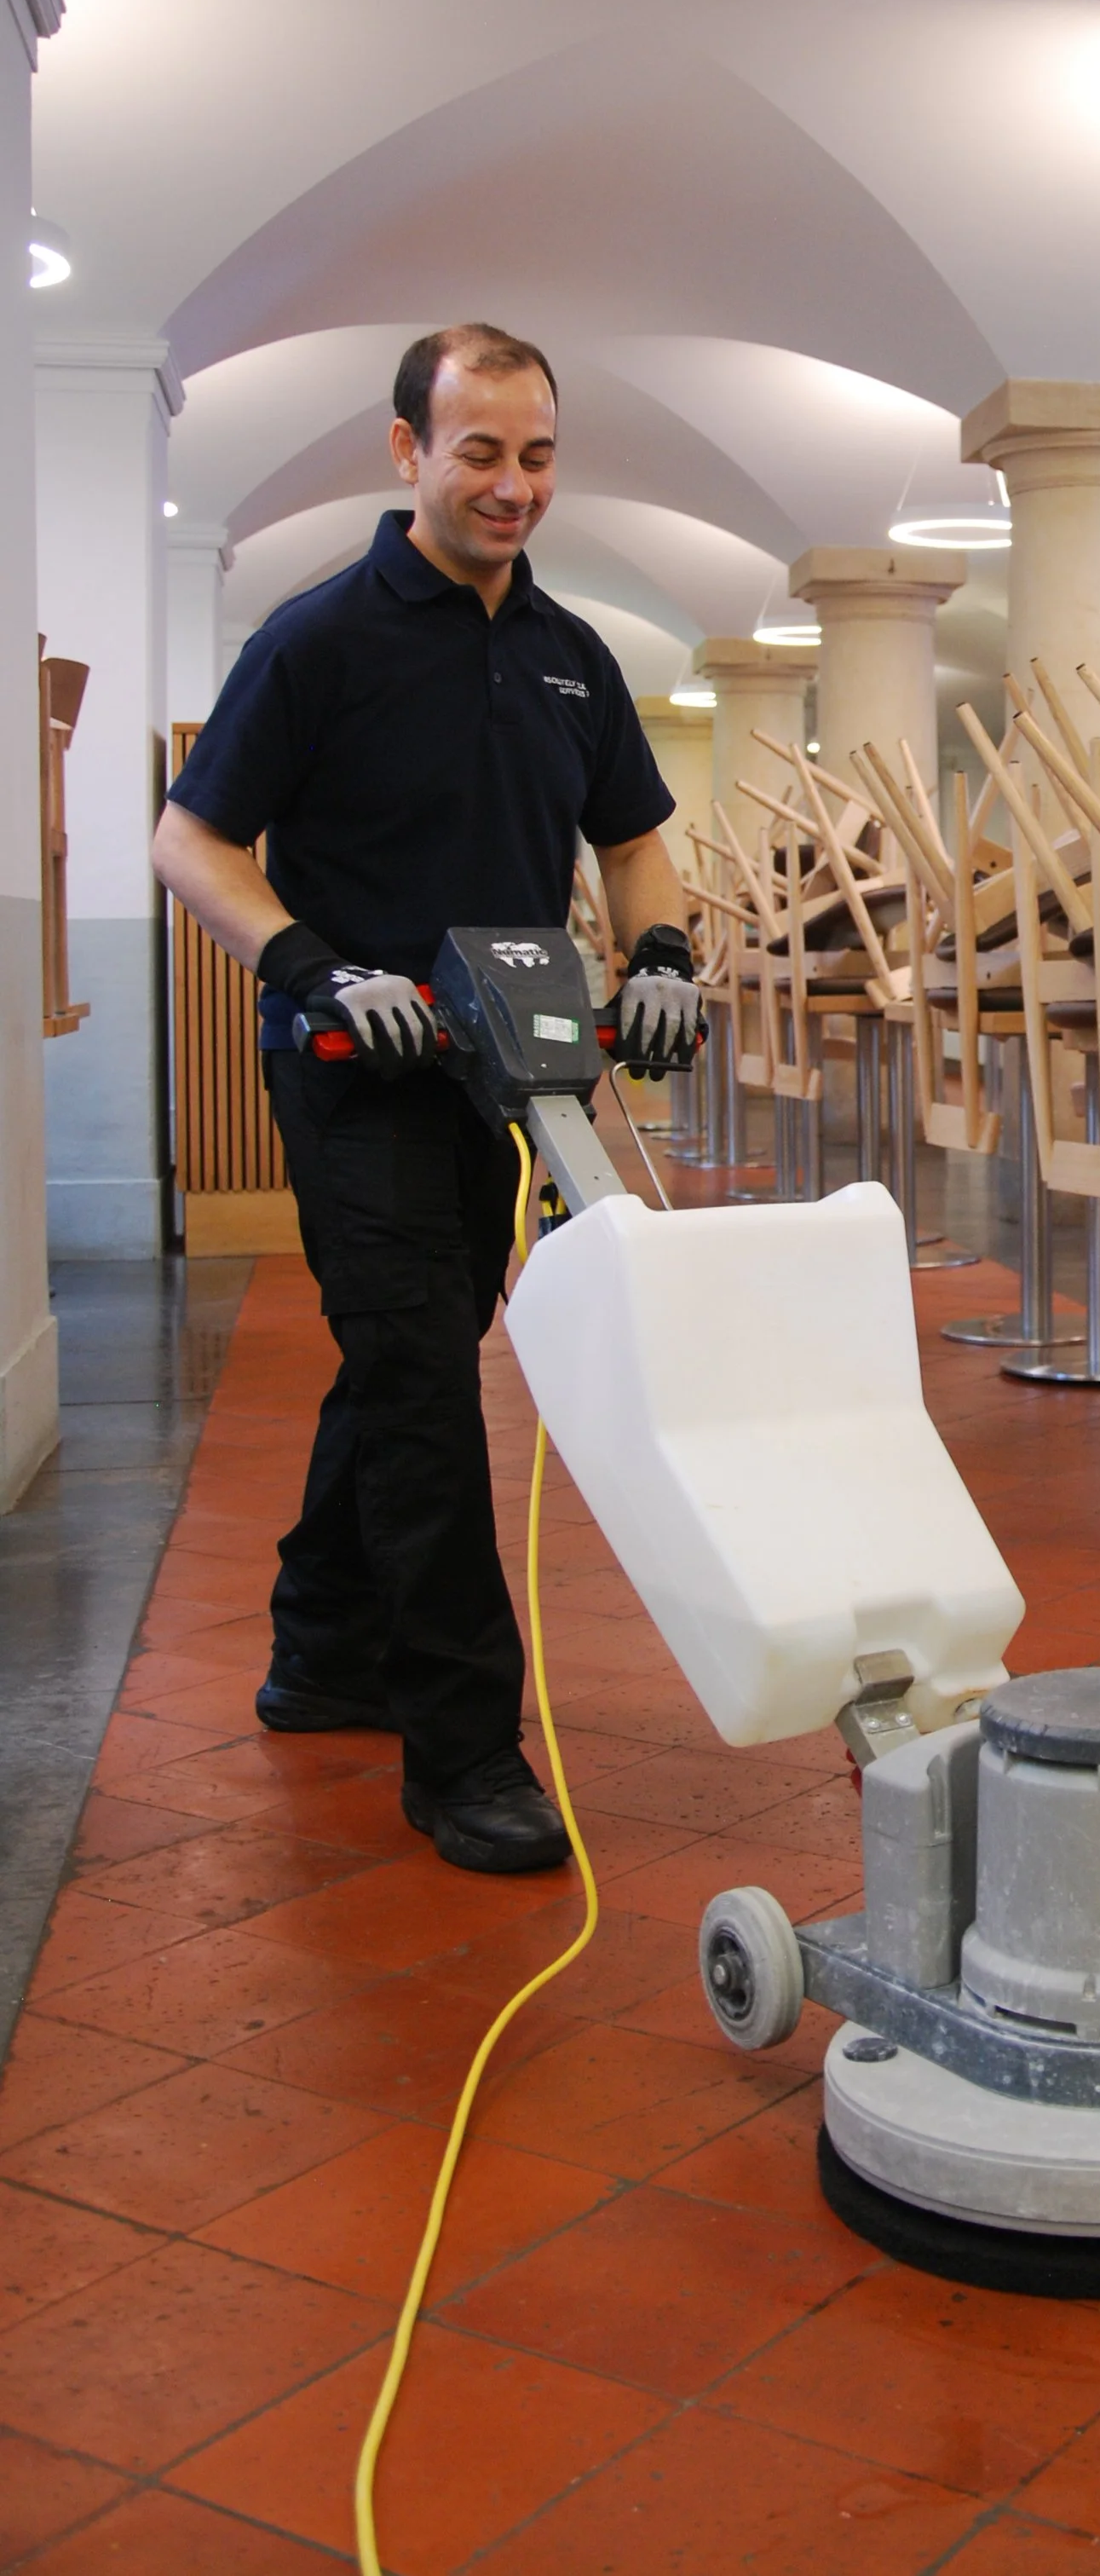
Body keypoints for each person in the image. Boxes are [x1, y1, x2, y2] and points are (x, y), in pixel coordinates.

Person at [153, 322, 702, 1874]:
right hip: (355, 1070)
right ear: (407, 451)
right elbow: (191, 845)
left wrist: (660, 941)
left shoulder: (572, 654)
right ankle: (465, 1750)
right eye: (480, 450)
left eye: (536, 454)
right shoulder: (317, 641)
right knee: (418, 1376)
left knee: (413, 1352)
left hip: (507, 1072)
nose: (514, 484)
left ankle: (322, 1644)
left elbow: (635, 837)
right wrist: (315, 966)